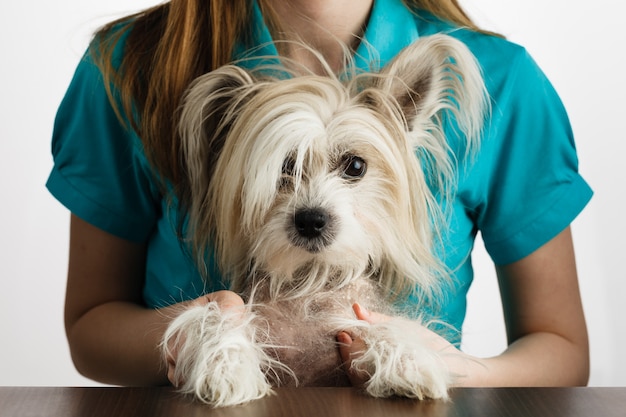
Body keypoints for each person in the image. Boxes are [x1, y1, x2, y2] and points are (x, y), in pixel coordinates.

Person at [47, 0, 592, 389]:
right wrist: (195, 335)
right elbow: (92, 328)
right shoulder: (131, 67)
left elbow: (561, 351)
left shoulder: (501, 81)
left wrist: (453, 370)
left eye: (353, 167)